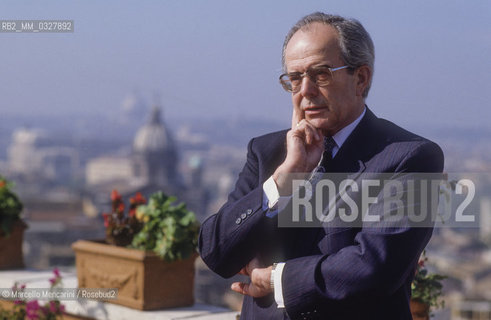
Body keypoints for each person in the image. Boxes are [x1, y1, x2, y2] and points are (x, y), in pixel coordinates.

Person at [199, 12, 444, 319]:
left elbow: (374, 267)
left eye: (321, 74)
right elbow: (215, 251)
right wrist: (284, 178)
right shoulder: (267, 152)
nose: (305, 91)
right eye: (295, 78)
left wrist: (277, 279)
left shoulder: (411, 157)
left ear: (361, 78)